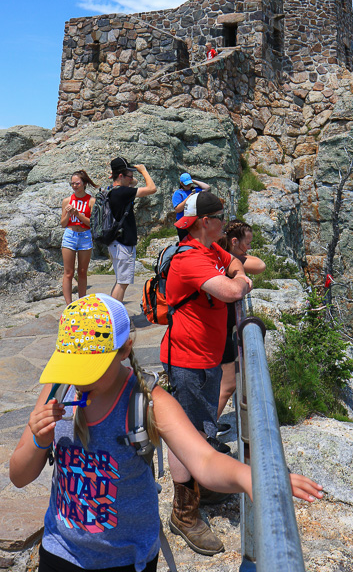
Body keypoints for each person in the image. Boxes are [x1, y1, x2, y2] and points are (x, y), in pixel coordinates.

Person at [9, 294, 323, 572]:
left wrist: (250, 477)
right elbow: (19, 476)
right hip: (59, 553)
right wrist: (39, 439)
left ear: (125, 349)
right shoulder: (58, 390)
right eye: (72, 365)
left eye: (90, 368)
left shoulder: (148, 402)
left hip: (126, 560)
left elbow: (204, 460)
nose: (79, 378)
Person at [161, 191, 254, 554]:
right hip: (187, 361)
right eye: (220, 216)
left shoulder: (210, 250)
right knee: (190, 432)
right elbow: (232, 287)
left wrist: (240, 275)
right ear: (205, 221)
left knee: (201, 427)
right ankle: (184, 513)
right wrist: (242, 283)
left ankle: (201, 482)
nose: (224, 221)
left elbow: (236, 264)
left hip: (206, 357)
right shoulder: (189, 259)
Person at [216, 221, 266, 422]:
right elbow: (260, 265)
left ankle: (206, 429)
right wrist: (238, 256)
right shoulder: (227, 260)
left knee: (218, 383)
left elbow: (255, 261)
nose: (250, 248)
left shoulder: (220, 255)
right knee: (228, 384)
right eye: (248, 242)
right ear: (234, 241)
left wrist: (238, 252)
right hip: (221, 329)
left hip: (219, 327)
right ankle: (206, 433)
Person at [108, 157, 157, 303]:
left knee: (119, 281)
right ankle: (115, 317)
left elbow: (133, 183)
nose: (132, 179)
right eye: (129, 175)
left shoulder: (112, 190)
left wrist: (125, 174)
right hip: (123, 243)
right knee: (122, 283)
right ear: (121, 176)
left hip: (116, 241)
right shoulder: (122, 192)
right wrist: (143, 171)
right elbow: (152, 189)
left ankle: (111, 313)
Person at [61, 170, 98, 305]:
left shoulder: (91, 201)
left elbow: (92, 224)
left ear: (84, 183)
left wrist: (77, 214)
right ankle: (69, 305)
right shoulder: (67, 201)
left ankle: (82, 302)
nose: (75, 186)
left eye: (77, 183)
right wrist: (69, 215)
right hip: (70, 235)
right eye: (72, 184)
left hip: (85, 236)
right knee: (68, 273)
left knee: (82, 272)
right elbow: (63, 223)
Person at [172, 172, 210, 242]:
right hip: (183, 222)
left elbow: (207, 187)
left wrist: (193, 181)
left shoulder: (194, 190)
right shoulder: (178, 193)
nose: (188, 185)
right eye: (186, 184)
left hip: (194, 221)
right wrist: (188, 198)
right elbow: (177, 209)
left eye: (189, 183)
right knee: (185, 242)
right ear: (181, 184)